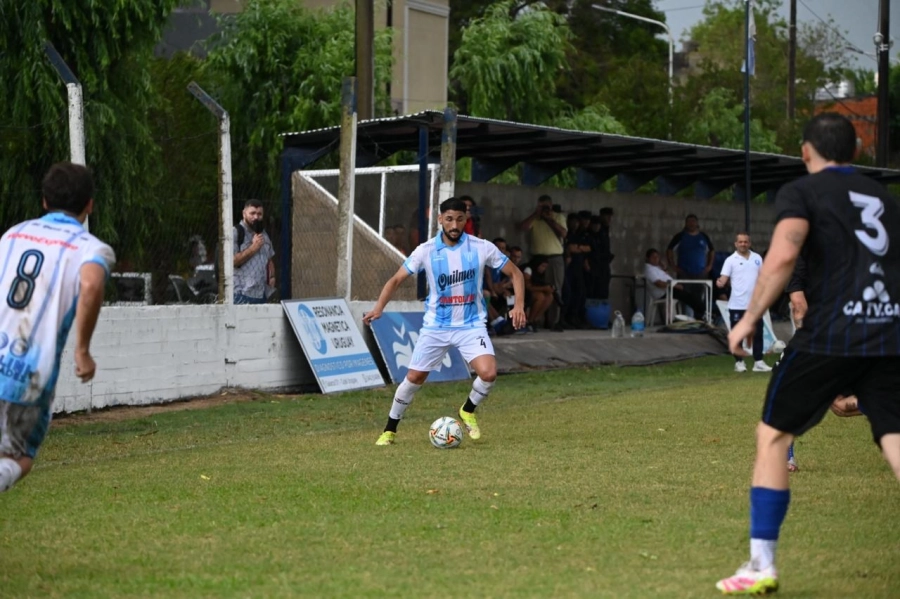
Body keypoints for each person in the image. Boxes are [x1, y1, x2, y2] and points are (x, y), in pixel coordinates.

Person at [716, 113, 900, 595]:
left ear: (805, 152)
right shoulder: (886, 199)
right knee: (896, 440)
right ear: (857, 153)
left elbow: (780, 258)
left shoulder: (803, 191)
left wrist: (750, 319)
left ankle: (761, 564)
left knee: (774, 436)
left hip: (832, 333)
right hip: (889, 334)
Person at [364, 197, 526, 445]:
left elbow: (515, 273)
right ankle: (389, 429)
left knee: (489, 373)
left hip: (471, 326)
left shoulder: (481, 247)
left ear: (466, 220)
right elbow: (396, 279)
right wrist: (378, 308)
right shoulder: (426, 251)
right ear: (440, 220)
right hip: (436, 327)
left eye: (460, 219)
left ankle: (468, 410)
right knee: (415, 378)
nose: (454, 224)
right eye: (449, 219)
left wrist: (520, 306)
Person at [0, 162, 115, 493]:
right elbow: (91, 285)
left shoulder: (11, 235)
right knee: (20, 458)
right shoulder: (90, 248)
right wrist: (82, 350)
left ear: (44, 201)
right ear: (89, 204)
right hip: (27, 374)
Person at [716, 232, 771, 373]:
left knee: (758, 333)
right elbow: (723, 277)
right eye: (740, 242)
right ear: (736, 244)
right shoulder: (730, 260)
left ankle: (758, 362)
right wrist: (720, 282)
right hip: (737, 304)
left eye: (745, 242)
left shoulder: (757, 258)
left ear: (749, 243)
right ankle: (739, 363)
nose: (743, 244)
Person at [517, 195, 567, 331]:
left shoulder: (558, 217)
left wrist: (549, 219)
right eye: (542, 206)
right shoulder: (535, 218)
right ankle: (536, 320)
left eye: (547, 206)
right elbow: (523, 227)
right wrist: (536, 214)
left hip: (555, 257)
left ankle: (553, 321)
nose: (545, 209)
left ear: (551, 205)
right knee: (538, 287)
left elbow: (563, 233)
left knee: (555, 289)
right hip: (538, 257)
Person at [643, 249, 706, 321]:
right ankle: (703, 311)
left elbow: (665, 276)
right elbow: (659, 283)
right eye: (653, 257)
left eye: (657, 257)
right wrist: (674, 285)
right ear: (648, 258)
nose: (656, 259)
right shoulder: (649, 269)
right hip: (664, 292)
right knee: (687, 294)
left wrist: (664, 267)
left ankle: (701, 312)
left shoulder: (657, 268)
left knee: (694, 289)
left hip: (670, 288)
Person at [233, 199, 275, 304]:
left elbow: (269, 259)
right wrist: (254, 247)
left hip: (261, 294)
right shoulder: (236, 232)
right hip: (241, 294)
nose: (256, 217)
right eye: (252, 213)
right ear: (244, 213)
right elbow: (232, 261)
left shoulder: (265, 235)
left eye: (259, 214)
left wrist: (272, 277)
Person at [666, 214, 715, 280]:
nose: (691, 223)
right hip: (683, 272)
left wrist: (709, 266)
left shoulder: (703, 236)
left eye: (693, 221)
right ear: (686, 224)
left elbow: (711, 251)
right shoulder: (680, 236)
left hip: (701, 272)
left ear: (697, 223)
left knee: (699, 290)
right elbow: (669, 250)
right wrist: (672, 265)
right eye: (689, 221)